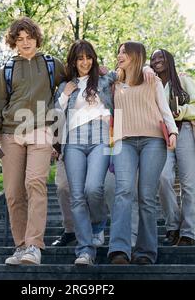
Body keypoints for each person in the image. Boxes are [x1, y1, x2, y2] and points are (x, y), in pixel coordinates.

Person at [0, 17, 65, 265]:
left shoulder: (52, 64)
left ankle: (34, 245)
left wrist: (102, 72)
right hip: (11, 134)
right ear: (13, 42)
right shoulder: (6, 70)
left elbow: (79, 75)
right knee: (13, 193)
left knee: (35, 183)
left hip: (42, 130)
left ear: (36, 38)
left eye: (29, 37)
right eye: (19, 39)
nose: (25, 42)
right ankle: (20, 247)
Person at [107, 41, 178, 265]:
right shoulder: (114, 82)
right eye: (118, 52)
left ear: (136, 56)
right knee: (123, 192)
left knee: (146, 197)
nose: (119, 56)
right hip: (124, 142)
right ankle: (119, 249)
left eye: (124, 53)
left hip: (153, 141)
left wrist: (173, 131)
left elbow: (164, 108)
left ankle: (146, 252)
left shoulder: (151, 79)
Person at [54, 40, 114, 266]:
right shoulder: (65, 86)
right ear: (73, 61)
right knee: (77, 196)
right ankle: (85, 251)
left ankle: (98, 224)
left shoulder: (105, 80)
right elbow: (55, 115)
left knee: (93, 189)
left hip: (99, 139)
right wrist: (64, 95)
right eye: (80, 58)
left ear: (94, 59)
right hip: (74, 142)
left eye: (88, 57)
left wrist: (148, 69)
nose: (85, 62)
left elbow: (129, 70)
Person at [150, 49, 195, 246]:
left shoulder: (183, 81)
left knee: (189, 184)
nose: (157, 60)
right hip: (161, 136)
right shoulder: (151, 83)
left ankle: (188, 232)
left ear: (170, 60)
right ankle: (172, 226)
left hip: (185, 132)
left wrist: (180, 111)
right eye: (153, 58)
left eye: (161, 57)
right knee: (163, 178)